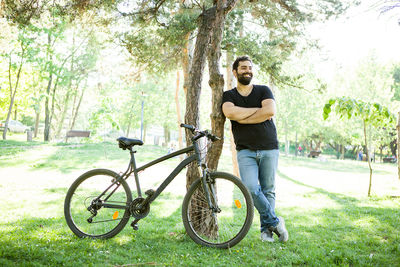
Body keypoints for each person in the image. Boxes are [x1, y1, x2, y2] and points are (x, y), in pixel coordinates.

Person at [222, 56, 288, 243]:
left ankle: (266, 231)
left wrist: (243, 117)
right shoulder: (229, 95)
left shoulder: (263, 90)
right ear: (235, 72)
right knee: (250, 188)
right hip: (245, 151)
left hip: (269, 147)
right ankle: (275, 221)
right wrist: (257, 112)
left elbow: (269, 111)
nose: (247, 71)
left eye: (250, 68)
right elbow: (230, 113)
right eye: (243, 68)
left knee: (268, 190)